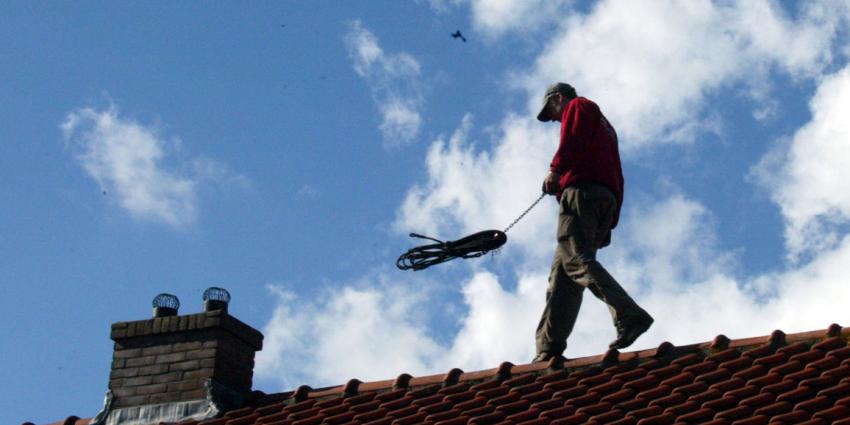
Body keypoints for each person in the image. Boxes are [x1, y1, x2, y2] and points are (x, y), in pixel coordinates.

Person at [534, 82, 653, 362]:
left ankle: (629, 315)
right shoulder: (604, 126)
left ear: (559, 98)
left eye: (551, 110)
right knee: (563, 275)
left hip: (582, 195)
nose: (553, 118)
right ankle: (547, 349)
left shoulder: (579, 106)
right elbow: (616, 171)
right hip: (602, 199)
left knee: (575, 260)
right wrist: (611, 216)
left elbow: (571, 140)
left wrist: (556, 170)